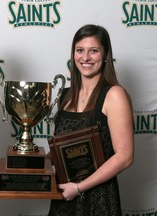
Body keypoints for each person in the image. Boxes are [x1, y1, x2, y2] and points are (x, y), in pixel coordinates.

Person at [48, 24, 134, 215]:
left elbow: (125, 157)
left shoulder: (114, 94)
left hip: (98, 199)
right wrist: (33, 162)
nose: (85, 57)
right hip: (63, 197)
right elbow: (62, 149)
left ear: (105, 56)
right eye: (80, 50)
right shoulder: (65, 95)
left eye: (93, 51)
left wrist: (79, 188)